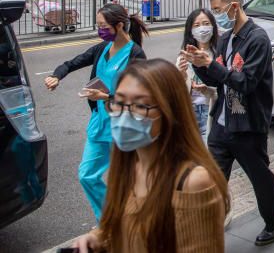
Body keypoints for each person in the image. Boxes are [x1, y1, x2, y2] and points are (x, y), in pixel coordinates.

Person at [71, 59, 229, 253]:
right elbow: (122, 226)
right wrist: (96, 238)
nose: (124, 114)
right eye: (119, 102)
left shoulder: (193, 183)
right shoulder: (129, 166)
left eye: (140, 105)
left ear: (170, 111)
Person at [183, 0, 274, 246]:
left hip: (248, 125)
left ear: (234, 6)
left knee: (260, 177)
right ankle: (207, 227)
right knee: (213, 180)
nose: (214, 18)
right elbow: (218, 79)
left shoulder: (257, 39)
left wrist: (210, 66)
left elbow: (245, 82)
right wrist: (199, 63)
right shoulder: (225, 39)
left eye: (217, 10)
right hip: (222, 124)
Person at [45, 4, 148, 221]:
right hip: (100, 124)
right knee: (87, 176)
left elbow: (142, 96)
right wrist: (57, 76)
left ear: (119, 26)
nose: (99, 30)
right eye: (98, 25)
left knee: (126, 182)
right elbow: (73, 62)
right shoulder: (102, 48)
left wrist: (107, 97)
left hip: (124, 127)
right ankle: (110, 219)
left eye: (103, 26)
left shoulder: (136, 54)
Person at [177, 9, 219, 139]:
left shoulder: (219, 55)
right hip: (189, 111)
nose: (202, 28)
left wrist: (208, 90)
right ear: (190, 30)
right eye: (196, 25)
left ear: (213, 26)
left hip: (210, 109)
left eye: (206, 23)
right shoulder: (184, 56)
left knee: (208, 152)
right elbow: (174, 91)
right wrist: (181, 75)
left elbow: (225, 88)